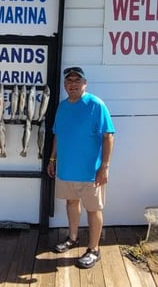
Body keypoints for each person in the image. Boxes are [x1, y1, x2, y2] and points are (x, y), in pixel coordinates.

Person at [47, 66, 115, 269]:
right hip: (67, 170)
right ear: (65, 85)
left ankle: (94, 249)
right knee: (71, 203)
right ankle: (73, 238)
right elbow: (57, 135)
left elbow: (108, 136)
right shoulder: (62, 106)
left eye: (78, 80)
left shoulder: (96, 105)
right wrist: (52, 160)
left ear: (85, 83)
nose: (73, 84)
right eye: (69, 80)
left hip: (90, 172)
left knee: (93, 210)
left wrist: (104, 166)